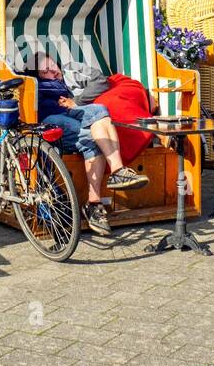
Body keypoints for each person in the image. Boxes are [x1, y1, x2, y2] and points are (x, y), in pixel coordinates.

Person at [34, 53, 148, 236]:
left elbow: (100, 81)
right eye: (45, 72)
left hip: (73, 111)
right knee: (92, 135)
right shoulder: (42, 86)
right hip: (51, 119)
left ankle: (103, 191)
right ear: (39, 76)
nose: (51, 72)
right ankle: (103, 193)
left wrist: (75, 101)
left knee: (100, 110)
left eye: (51, 66)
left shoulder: (70, 73)